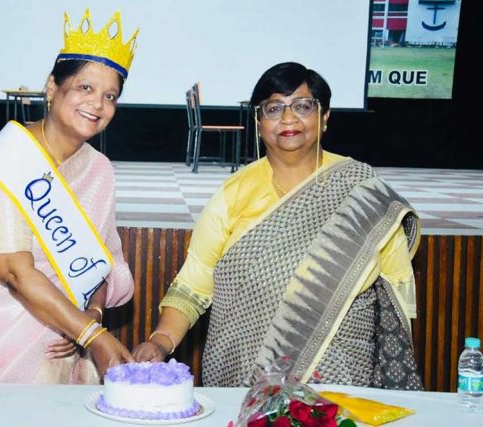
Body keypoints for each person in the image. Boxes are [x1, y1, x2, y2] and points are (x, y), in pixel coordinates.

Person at [133, 62, 423, 390]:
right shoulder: (233, 193)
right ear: (259, 122)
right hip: (247, 381)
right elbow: (193, 284)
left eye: (302, 106)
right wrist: (160, 342)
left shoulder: (363, 191)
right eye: (274, 108)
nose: (288, 119)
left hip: (341, 382)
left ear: (324, 117)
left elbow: (395, 291)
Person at [0, 9, 139, 384]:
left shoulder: (100, 169)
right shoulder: (7, 162)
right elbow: (13, 272)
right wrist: (92, 335)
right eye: (85, 88)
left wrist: (92, 316)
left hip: (63, 340)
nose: (98, 104)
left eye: (110, 96)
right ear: (53, 87)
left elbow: (100, 264)